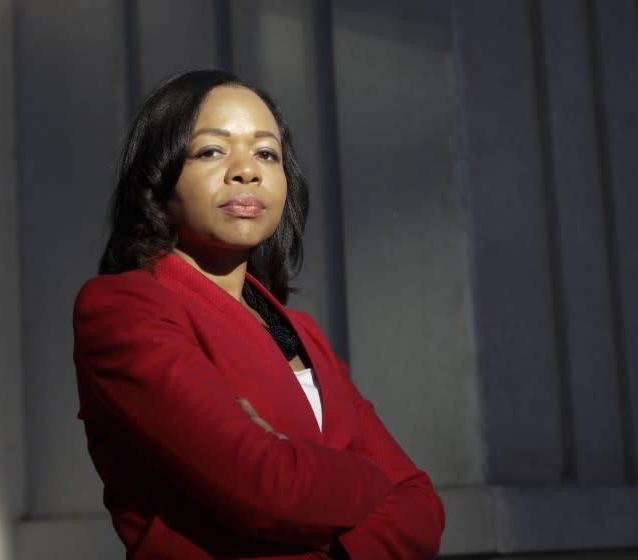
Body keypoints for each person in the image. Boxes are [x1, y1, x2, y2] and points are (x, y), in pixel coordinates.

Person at [73, 69, 445, 559]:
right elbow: (266, 488)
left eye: (266, 153)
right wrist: (369, 478)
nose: (246, 170)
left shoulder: (302, 333)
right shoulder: (122, 309)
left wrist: (327, 520)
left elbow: (422, 507)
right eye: (211, 151)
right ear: (159, 179)